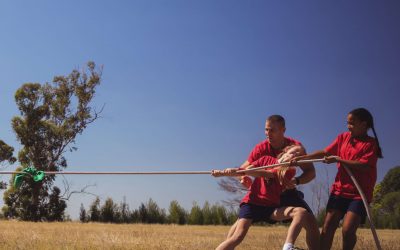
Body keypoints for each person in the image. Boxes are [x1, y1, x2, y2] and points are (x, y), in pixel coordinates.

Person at [213, 115, 319, 250]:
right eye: (266, 130)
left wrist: (296, 181)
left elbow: (311, 173)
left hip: (284, 194)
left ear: (283, 130)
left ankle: (290, 246)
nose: (268, 134)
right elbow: (245, 169)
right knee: (238, 232)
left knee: (309, 221)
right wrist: (239, 176)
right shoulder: (262, 150)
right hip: (257, 197)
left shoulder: (296, 149)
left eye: (272, 130)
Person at [291, 108, 383, 250]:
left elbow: (364, 166)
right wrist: (302, 158)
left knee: (347, 230)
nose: (348, 126)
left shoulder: (371, 144)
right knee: (328, 227)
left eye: (352, 123)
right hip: (339, 191)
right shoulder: (343, 138)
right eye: (347, 123)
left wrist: (339, 160)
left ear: (364, 124)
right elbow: (325, 152)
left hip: (359, 194)